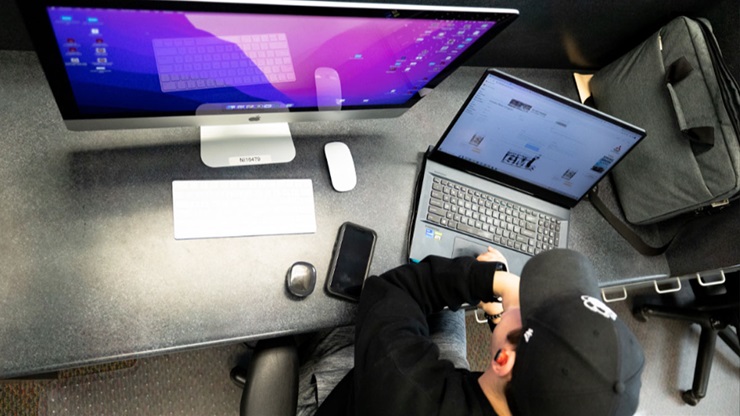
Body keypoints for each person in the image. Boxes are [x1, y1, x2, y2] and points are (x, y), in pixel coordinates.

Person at [304, 247, 645, 416]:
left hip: (365, 400)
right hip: (469, 386)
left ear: (502, 360)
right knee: (449, 313)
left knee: (335, 292)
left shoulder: (405, 385)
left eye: (526, 309)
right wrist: (503, 319)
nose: (521, 297)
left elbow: (392, 291)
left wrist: (490, 280)